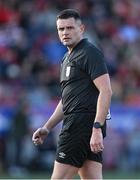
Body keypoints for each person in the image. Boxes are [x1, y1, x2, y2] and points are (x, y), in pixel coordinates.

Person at [32, 9, 112, 179]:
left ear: (81, 29)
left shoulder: (89, 52)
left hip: (80, 126)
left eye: (69, 28)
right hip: (83, 127)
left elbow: (106, 90)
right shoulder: (66, 58)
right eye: (61, 29)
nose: (65, 33)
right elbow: (66, 100)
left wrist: (96, 128)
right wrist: (47, 127)